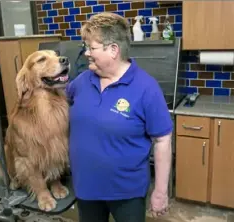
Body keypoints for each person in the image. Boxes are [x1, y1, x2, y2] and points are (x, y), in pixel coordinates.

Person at [66, 12, 173, 222]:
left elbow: (162, 140)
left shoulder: (146, 88)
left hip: (127, 194)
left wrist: (160, 192)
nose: (86, 53)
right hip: (86, 188)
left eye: (91, 47)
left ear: (113, 49)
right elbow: (59, 103)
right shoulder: (81, 81)